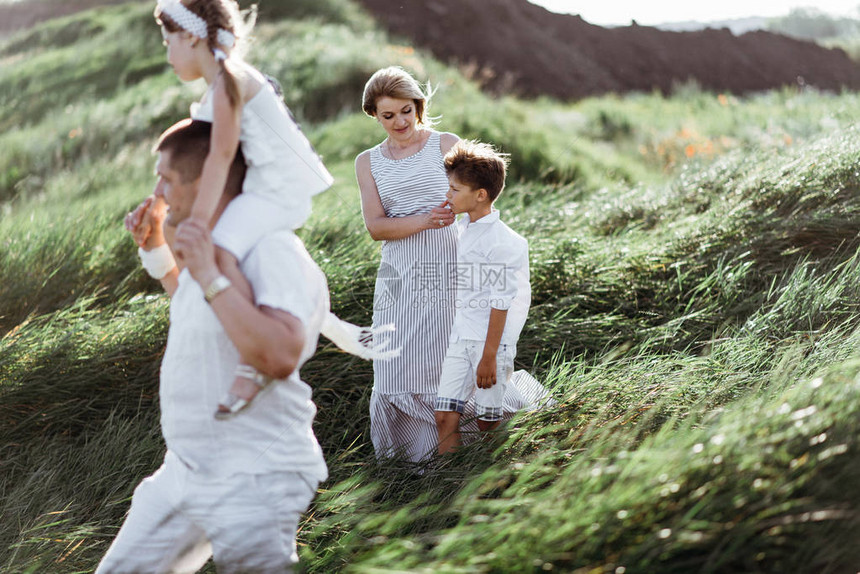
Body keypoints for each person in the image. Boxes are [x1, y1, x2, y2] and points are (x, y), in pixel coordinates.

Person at [98, 119, 328, 573]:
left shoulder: (272, 250)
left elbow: (280, 354)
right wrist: (156, 246)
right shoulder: (214, 248)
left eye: (165, 177)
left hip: (255, 473)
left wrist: (208, 275)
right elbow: (205, 308)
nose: (157, 191)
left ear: (205, 182)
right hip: (185, 469)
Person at [154, 0, 334, 416]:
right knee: (216, 245)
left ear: (193, 36)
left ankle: (254, 361)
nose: (167, 55)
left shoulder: (230, 81)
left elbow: (219, 157)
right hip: (263, 187)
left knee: (218, 249)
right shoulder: (220, 85)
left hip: (276, 192)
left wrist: (199, 222)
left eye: (169, 43)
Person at [355, 66, 461, 464]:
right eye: (388, 115)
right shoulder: (367, 162)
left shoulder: (446, 144)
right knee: (394, 362)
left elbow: (477, 202)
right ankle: (406, 458)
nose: (400, 121)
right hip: (398, 272)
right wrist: (423, 220)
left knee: (444, 358)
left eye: (406, 110)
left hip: (447, 265)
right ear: (375, 116)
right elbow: (376, 227)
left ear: (418, 106)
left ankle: (455, 458)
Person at [434, 139, 531, 453]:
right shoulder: (462, 227)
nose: (448, 195)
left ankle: (494, 482)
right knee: (444, 415)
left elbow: (501, 303)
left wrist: (489, 357)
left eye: (454, 189)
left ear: (480, 195)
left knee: (488, 423)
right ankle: (446, 486)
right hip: (459, 339)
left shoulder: (503, 241)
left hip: (489, 344)